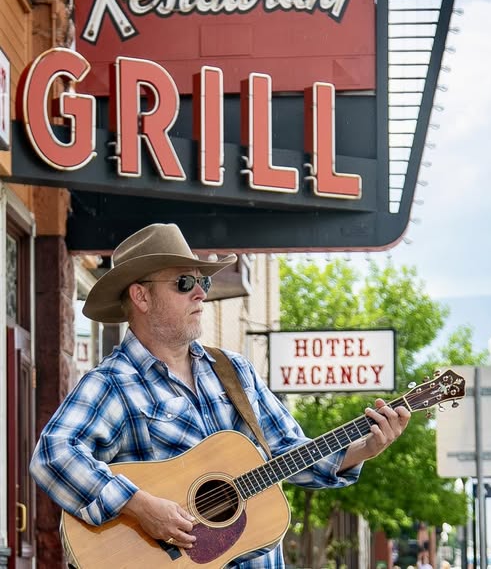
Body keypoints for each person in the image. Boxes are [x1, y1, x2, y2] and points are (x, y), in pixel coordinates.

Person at [30, 223, 411, 568]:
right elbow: (54, 454)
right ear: (141, 297)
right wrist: (141, 506)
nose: (200, 293)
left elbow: (291, 453)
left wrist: (363, 448)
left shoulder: (235, 372)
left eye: (203, 283)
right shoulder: (113, 382)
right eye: (184, 283)